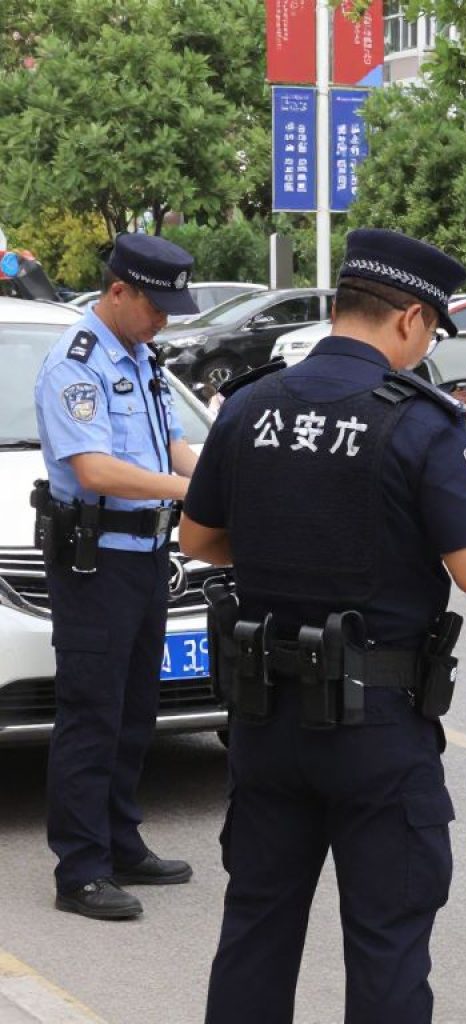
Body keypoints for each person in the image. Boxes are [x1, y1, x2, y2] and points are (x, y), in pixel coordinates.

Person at [179, 228, 466, 1024]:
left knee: (256, 931)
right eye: (432, 330)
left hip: (266, 718)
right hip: (375, 729)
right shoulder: (418, 421)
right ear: (409, 318)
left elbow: (197, 539)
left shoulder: (251, 404)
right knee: (387, 947)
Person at [34, 233, 200, 921]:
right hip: (95, 561)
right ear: (119, 291)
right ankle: (80, 869)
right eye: (155, 304)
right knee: (91, 715)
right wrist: (184, 490)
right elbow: (96, 470)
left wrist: (218, 477)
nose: (164, 318)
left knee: (136, 711)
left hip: (146, 558)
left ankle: (121, 841)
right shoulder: (75, 364)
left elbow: (173, 444)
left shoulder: (141, 357)